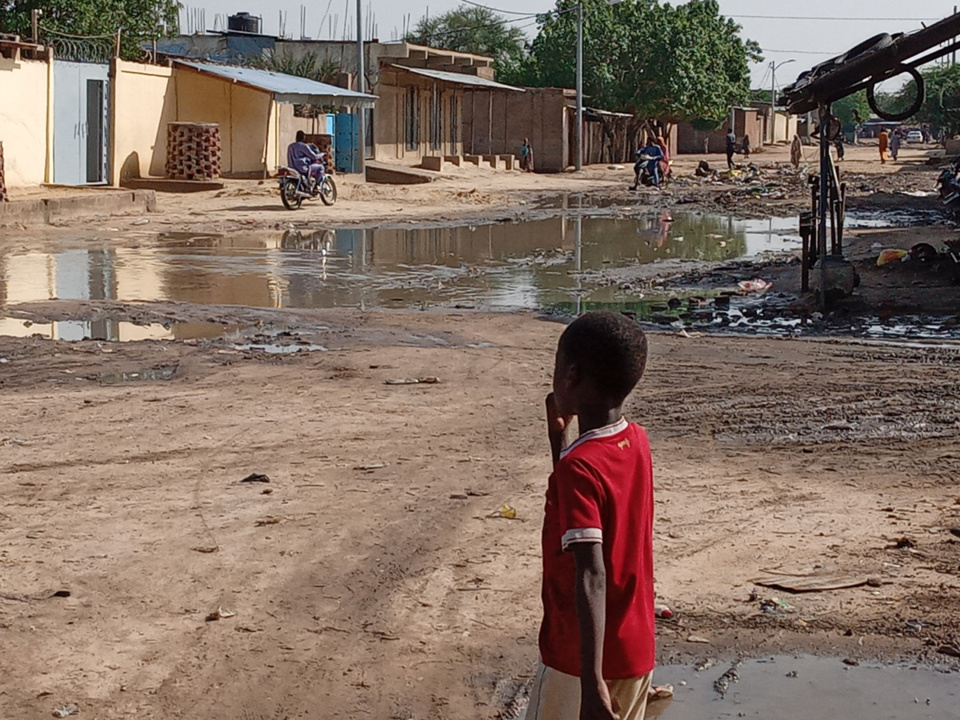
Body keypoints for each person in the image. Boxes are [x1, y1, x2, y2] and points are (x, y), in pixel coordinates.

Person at [529, 311, 655, 720]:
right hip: (634, 651)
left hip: (580, 662)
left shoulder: (579, 468)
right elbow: (581, 508)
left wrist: (591, 683)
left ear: (570, 376)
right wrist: (559, 441)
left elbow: (591, 573)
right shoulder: (635, 441)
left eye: (556, 367)